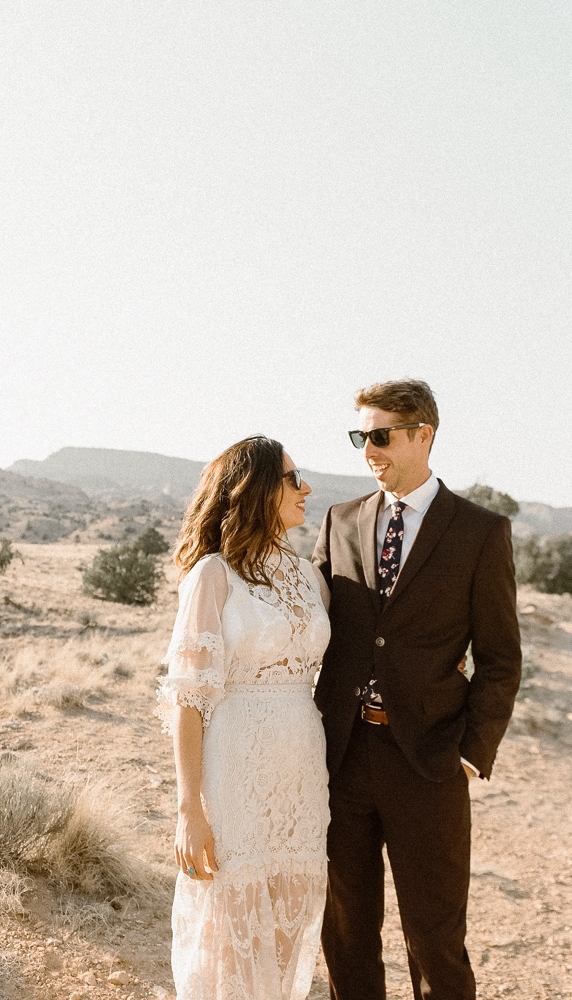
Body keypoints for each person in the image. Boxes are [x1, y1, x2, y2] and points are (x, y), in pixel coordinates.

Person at [314, 379, 523, 1000]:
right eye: (361, 437)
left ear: (422, 436)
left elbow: (500, 658)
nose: (367, 451)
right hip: (342, 759)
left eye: (379, 436)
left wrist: (470, 752)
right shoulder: (341, 521)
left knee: (434, 940)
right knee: (347, 935)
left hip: (429, 763)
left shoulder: (480, 533)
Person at [156, 435, 331, 1000]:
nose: (306, 488)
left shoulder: (309, 578)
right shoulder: (212, 576)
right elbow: (190, 699)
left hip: (302, 773)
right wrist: (190, 809)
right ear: (255, 489)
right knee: (232, 924)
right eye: (292, 477)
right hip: (235, 774)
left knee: (289, 914)